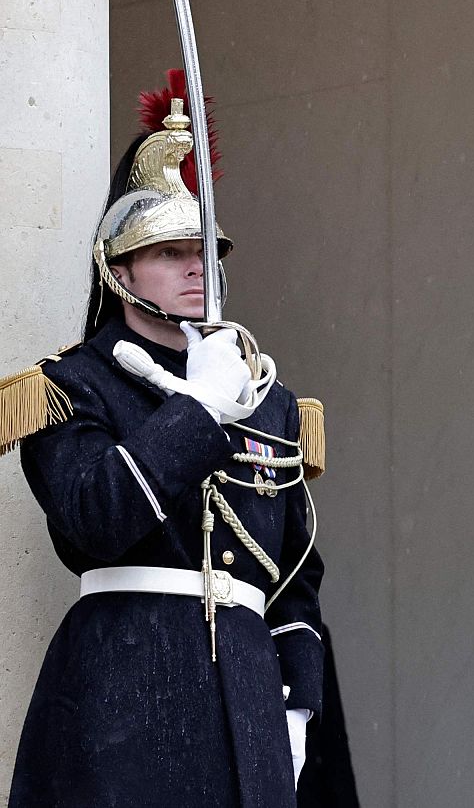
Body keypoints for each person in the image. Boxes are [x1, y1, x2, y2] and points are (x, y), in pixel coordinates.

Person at [0, 76, 326, 808]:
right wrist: (197, 414)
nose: (195, 266)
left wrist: (299, 699)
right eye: (170, 252)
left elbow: (295, 573)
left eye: (204, 250)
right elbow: (94, 520)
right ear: (118, 271)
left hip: (248, 699)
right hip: (124, 684)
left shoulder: (269, 399)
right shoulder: (71, 386)